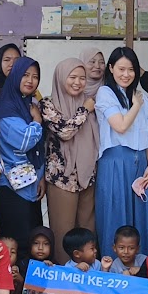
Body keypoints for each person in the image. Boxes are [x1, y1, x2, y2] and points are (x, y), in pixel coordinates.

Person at [95, 47, 148, 256]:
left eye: (131, 70)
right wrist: (136, 106)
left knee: (141, 218)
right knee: (115, 215)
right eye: (121, 69)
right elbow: (120, 126)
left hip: (140, 163)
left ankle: (142, 268)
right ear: (111, 68)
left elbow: (146, 132)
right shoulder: (105, 93)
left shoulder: (140, 96)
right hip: (115, 161)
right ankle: (112, 267)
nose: (126, 74)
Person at [42, 57, 100, 244]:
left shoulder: (91, 102)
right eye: (72, 77)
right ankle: (63, 264)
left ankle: (88, 263)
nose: (78, 82)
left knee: (87, 233)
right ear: (61, 77)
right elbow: (65, 132)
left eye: (82, 78)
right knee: (62, 232)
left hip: (88, 178)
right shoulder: (48, 104)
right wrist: (84, 110)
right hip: (62, 180)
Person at [0, 56, 45, 246]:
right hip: (11, 188)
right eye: (25, 75)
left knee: (32, 241)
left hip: (30, 184)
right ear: (15, 76)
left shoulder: (27, 104)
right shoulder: (6, 107)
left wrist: (41, 178)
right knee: (17, 243)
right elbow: (24, 142)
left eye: (35, 76)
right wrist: (37, 121)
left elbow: (39, 149)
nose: (30, 80)